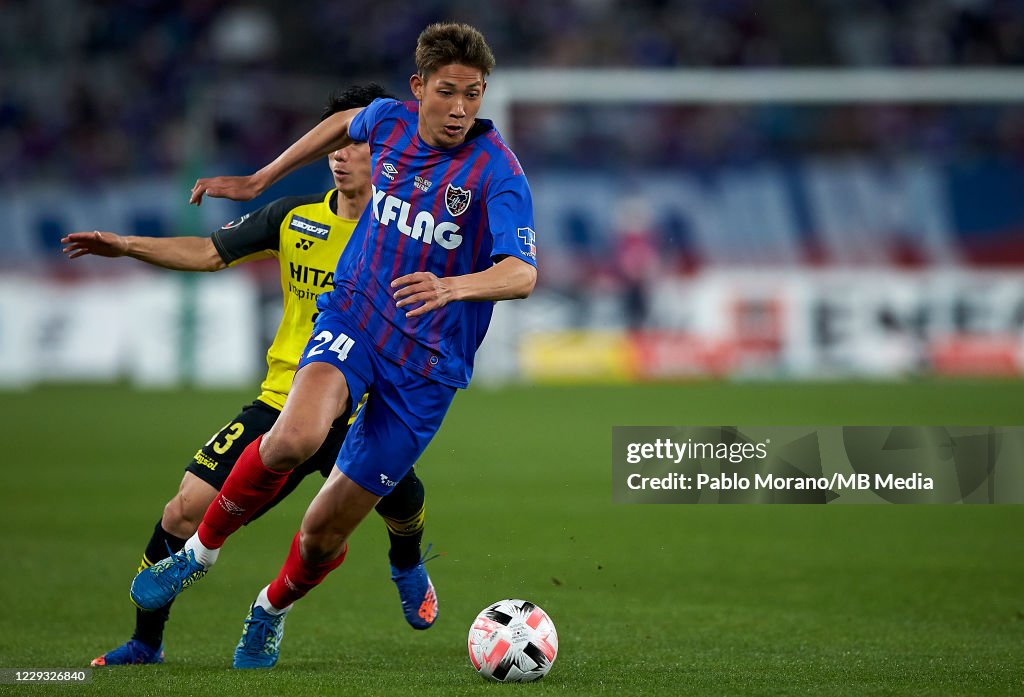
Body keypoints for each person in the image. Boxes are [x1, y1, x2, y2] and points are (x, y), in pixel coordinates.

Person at [130, 22, 538, 669]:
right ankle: (197, 555)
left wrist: (452, 286)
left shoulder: (498, 173)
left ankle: (270, 609)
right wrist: (262, 177)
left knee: (322, 533)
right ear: (418, 88)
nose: (461, 108)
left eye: (473, 94)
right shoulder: (390, 123)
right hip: (357, 316)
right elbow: (348, 121)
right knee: (292, 438)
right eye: (448, 92)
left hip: (428, 365)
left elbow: (521, 274)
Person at [63, 84, 440, 668]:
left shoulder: (408, 233)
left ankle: (404, 565)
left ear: (386, 150)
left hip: (361, 405)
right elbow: (209, 252)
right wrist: (127, 245)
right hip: (286, 397)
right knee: (182, 511)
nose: (340, 155)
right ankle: (145, 642)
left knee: (382, 512)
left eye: (356, 144)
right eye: (335, 144)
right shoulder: (293, 218)